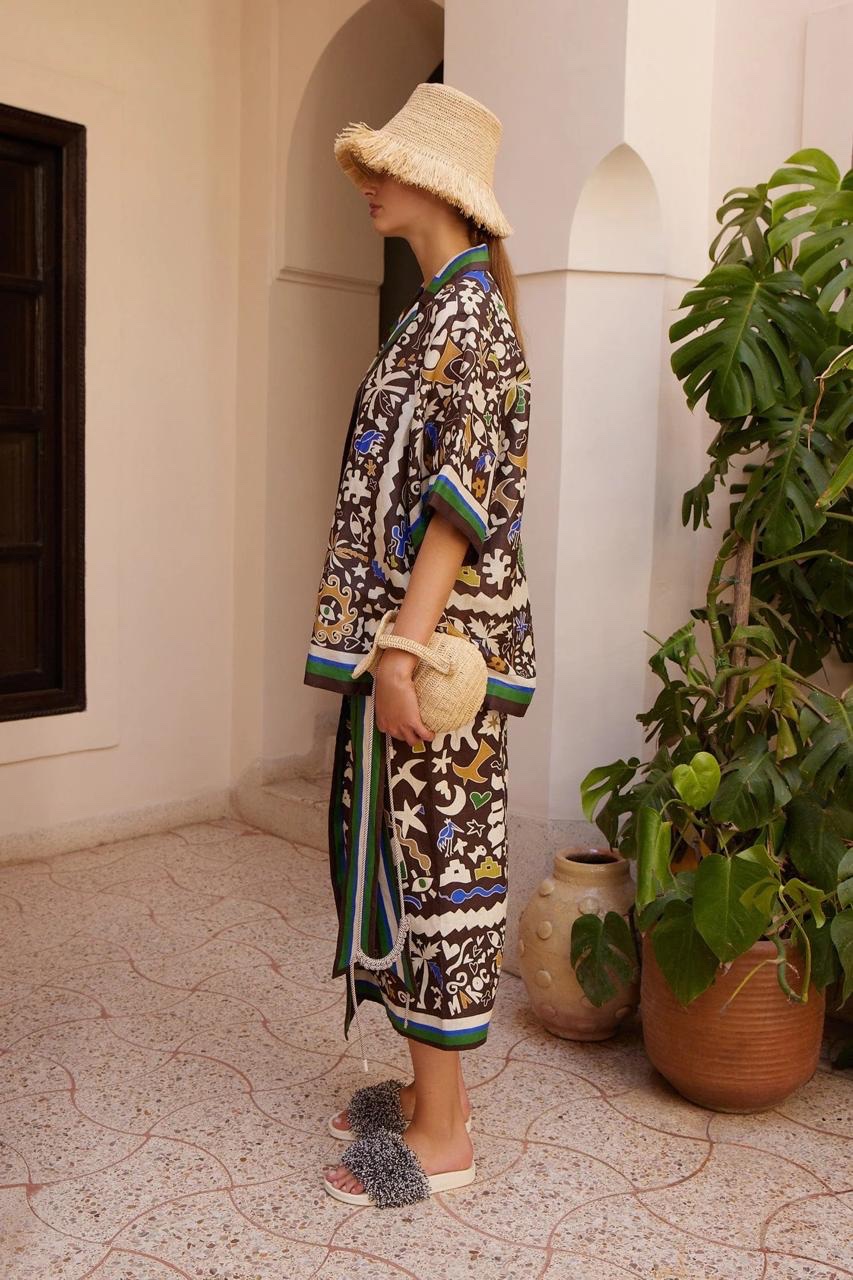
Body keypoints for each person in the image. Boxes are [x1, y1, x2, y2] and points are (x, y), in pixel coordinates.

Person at [302, 82, 537, 1207]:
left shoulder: (469, 319)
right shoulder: (437, 308)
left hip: (439, 661)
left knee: (441, 870)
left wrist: (401, 647)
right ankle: (426, 1088)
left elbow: (458, 503)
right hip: (410, 643)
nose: (369, 182)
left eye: (386, 166)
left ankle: (444, 1138)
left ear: (436, 185)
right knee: (405, 858)